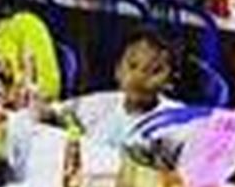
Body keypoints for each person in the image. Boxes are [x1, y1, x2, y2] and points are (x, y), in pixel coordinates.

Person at [46, 27, 179, 149]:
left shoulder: (177, 122)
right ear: (118, 71)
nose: (139, 77)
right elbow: (57, 110)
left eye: (154, 70)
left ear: (169, 81)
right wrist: (47, 109)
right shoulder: (101, 104)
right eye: (132, 65)